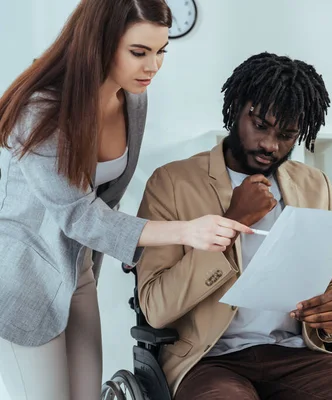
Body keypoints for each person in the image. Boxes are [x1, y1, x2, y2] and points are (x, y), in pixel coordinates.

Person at [0, 1, 251, 399]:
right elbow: (79, 215)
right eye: (139, 52)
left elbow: (107, 196)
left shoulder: (133, 100)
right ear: (99, 43)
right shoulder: (41, 110)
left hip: (79, 271)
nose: (153, 66)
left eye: (161, 51)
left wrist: (136, 248)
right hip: (25, 279)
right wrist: (186, 232)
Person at [136, 52, 332, 399]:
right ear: (235, 108)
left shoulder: (317, 186)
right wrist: (233, 221)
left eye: (286, 134)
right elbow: (156, 308)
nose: (270, 145)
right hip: (208, 358)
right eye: (261, 126)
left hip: (296, 353)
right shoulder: (173, 183)